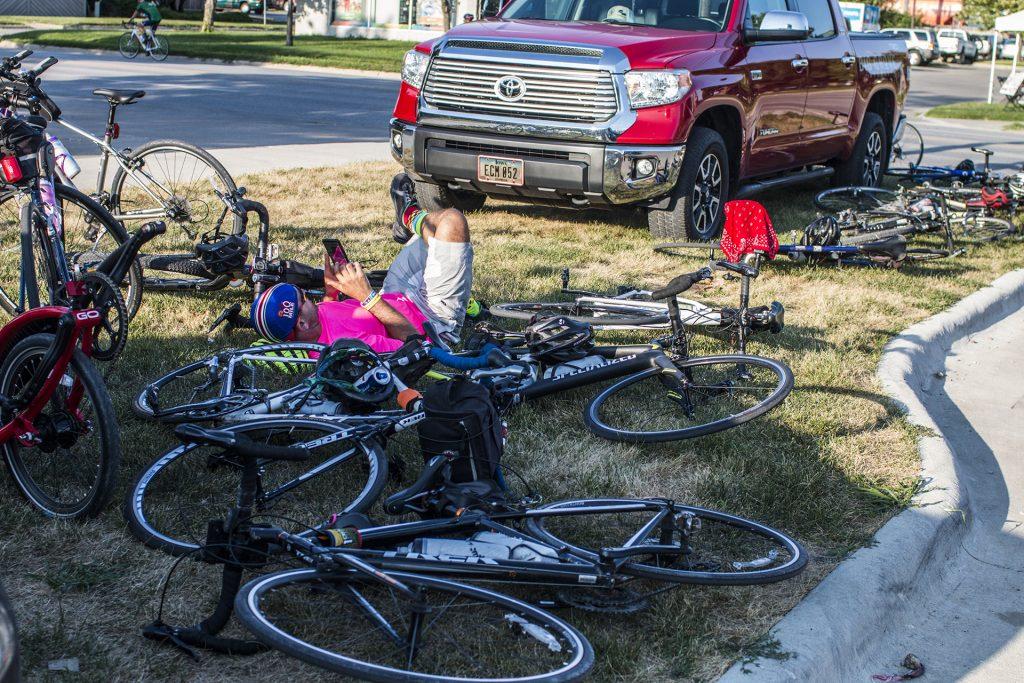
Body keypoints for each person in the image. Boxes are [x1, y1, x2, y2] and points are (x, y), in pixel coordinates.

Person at [250, 173, 474, 354]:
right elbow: (416, 344)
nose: (309, 297)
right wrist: (366, 296)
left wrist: (331, 292)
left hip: (395, 293)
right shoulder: (345, 346)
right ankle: (411, 217)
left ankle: (408, 218)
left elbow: (330, 320)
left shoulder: (311, 324)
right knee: (452, 223)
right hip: (431, 317)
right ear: (302, 324)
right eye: (304, 299)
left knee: (437, 230)